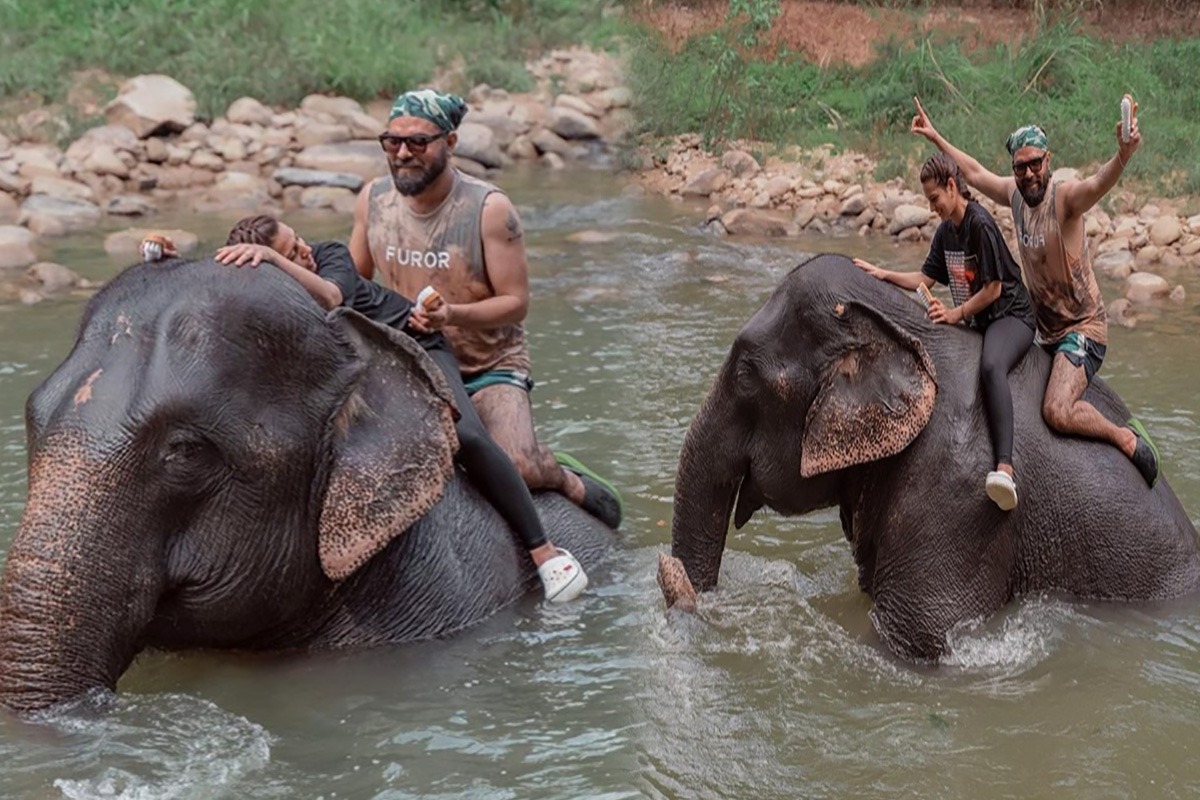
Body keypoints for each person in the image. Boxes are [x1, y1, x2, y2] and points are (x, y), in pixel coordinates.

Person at [212, 214, 589, 603]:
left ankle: (544, 552)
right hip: (360, 370)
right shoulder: (269, 294)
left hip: (415, 346)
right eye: (293, 251)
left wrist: (276, 259)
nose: (306, 249)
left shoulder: (329, 258)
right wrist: (161, 254)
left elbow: (331, 299)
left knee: (465, 434)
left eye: (298, 240)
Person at [347, 88, 621, 530]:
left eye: (418, 142)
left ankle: (562, 474)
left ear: (450, 143)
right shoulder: (372, 200)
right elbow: (355, 284)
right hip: (410, 359)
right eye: (391, 142)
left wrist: (450, 315)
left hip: (487, 364)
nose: (402, 153)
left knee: (519, 466)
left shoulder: (489, 209)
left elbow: (516, 305)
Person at [909, 95, 1160, 487]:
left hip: (1082, 330)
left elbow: (1098, 183)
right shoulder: (1014, 196)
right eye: (1020, 167)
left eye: (1035, 164)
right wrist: (935, 136)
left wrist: (1123, 156)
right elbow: (971, 172)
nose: (1028, 174)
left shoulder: (1066, 200)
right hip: (1043, 331)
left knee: (1057, 410)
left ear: (1049, 161)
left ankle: (1126, 438)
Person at [854, 153, 1036, 510]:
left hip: (1010, 316)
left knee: (991, 367)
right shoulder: (945, 232)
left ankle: (1005, 467)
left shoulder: (979, 224)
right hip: (979, 320)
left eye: (935, 198)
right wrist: (881, 274)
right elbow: (925, 279)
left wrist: (955, 314)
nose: (933, 206)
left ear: (952, 187)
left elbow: (995, 289)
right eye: (928, 201)